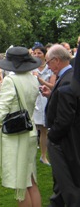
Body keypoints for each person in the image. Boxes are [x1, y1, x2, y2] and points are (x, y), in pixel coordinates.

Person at [0, 46, 42, 206]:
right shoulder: (33, 78)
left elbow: (0, 114)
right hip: (30, 131)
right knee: (30, 180)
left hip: (16, 136)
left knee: (21, 185)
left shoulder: (10, 80)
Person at [41, 44, 78, 205]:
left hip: (64, 141)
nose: (48, 66)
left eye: (48, 62)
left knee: (66, 181)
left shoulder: (67, 81)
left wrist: (53, 136)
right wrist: (51, 96)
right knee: (60, 184)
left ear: (56, 60)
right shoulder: (69, 76)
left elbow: (65, 119)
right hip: (66, 138)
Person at [31, 46, 55, 165]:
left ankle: (43, 155)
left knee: (44, 129)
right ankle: (30, 155)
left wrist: (41, 80)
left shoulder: (49, 69)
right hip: (33, 101)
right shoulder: (30, 68)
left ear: (44, 55)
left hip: (45, 100)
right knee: (31, 129)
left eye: (39, 53)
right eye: (34, 53)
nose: (36, 55)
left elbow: (52, 85)